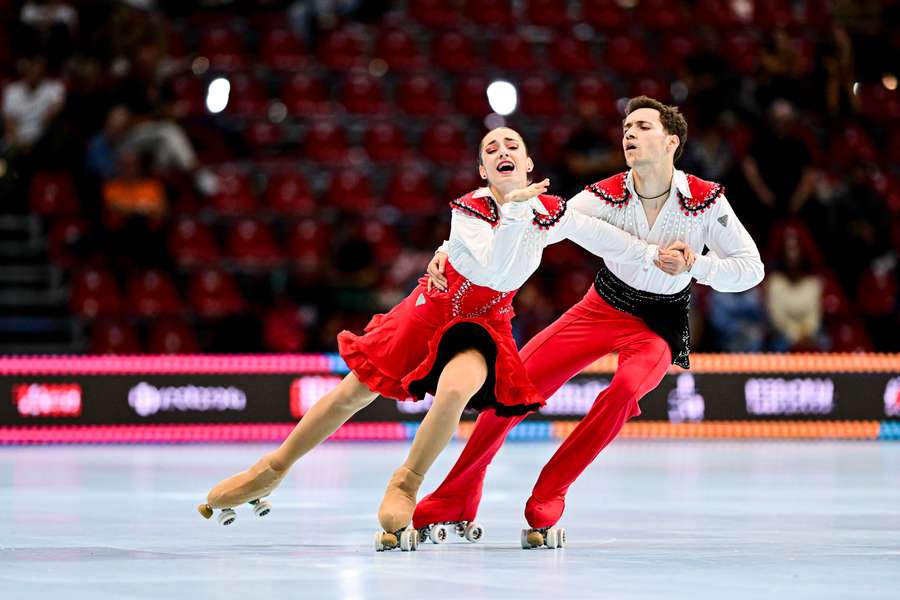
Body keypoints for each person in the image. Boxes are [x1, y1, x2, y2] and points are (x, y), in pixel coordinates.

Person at [198, 126, 679, 551]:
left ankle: (406, 485)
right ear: (483, 167)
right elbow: (494, 265)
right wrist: (503, 216)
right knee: (352, 393)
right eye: (492, 147)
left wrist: (652, 254)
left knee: (455, 391)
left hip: (482, 326)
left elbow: (602, 236)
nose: (502, 149)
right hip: (430, 313)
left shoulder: (548, 212)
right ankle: (273, 469)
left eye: (513, 144)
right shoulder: (468, 210)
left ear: (529, 164)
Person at [414, 97, 765, 548]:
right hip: (600, 307)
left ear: (671, 141)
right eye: (626, 128)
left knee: (622, 391)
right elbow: (542, 219)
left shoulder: (704, 201)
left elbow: (751, 268)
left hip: (658, 323)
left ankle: (549, 496)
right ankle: (454, 499)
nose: (629, 134)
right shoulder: (605, 194)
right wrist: (451, 248)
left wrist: (698, 265)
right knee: (508, 392)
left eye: (641, 126)